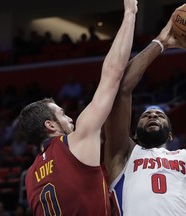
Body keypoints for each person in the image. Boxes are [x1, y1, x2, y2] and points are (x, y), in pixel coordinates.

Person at [18, 0, 138, 215]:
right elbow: (113, 74)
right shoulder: (75, 142)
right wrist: (130, 13)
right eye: (62, 114)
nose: (70, 119)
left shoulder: (29, 176)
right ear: (50, 125)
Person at [103, 15, 186, 215]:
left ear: (171, 134)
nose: (153, 115)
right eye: (146, 116)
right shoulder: (123, 155)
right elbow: (121, 89)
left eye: (160, 115)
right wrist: (160, 43)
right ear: (134, 134)